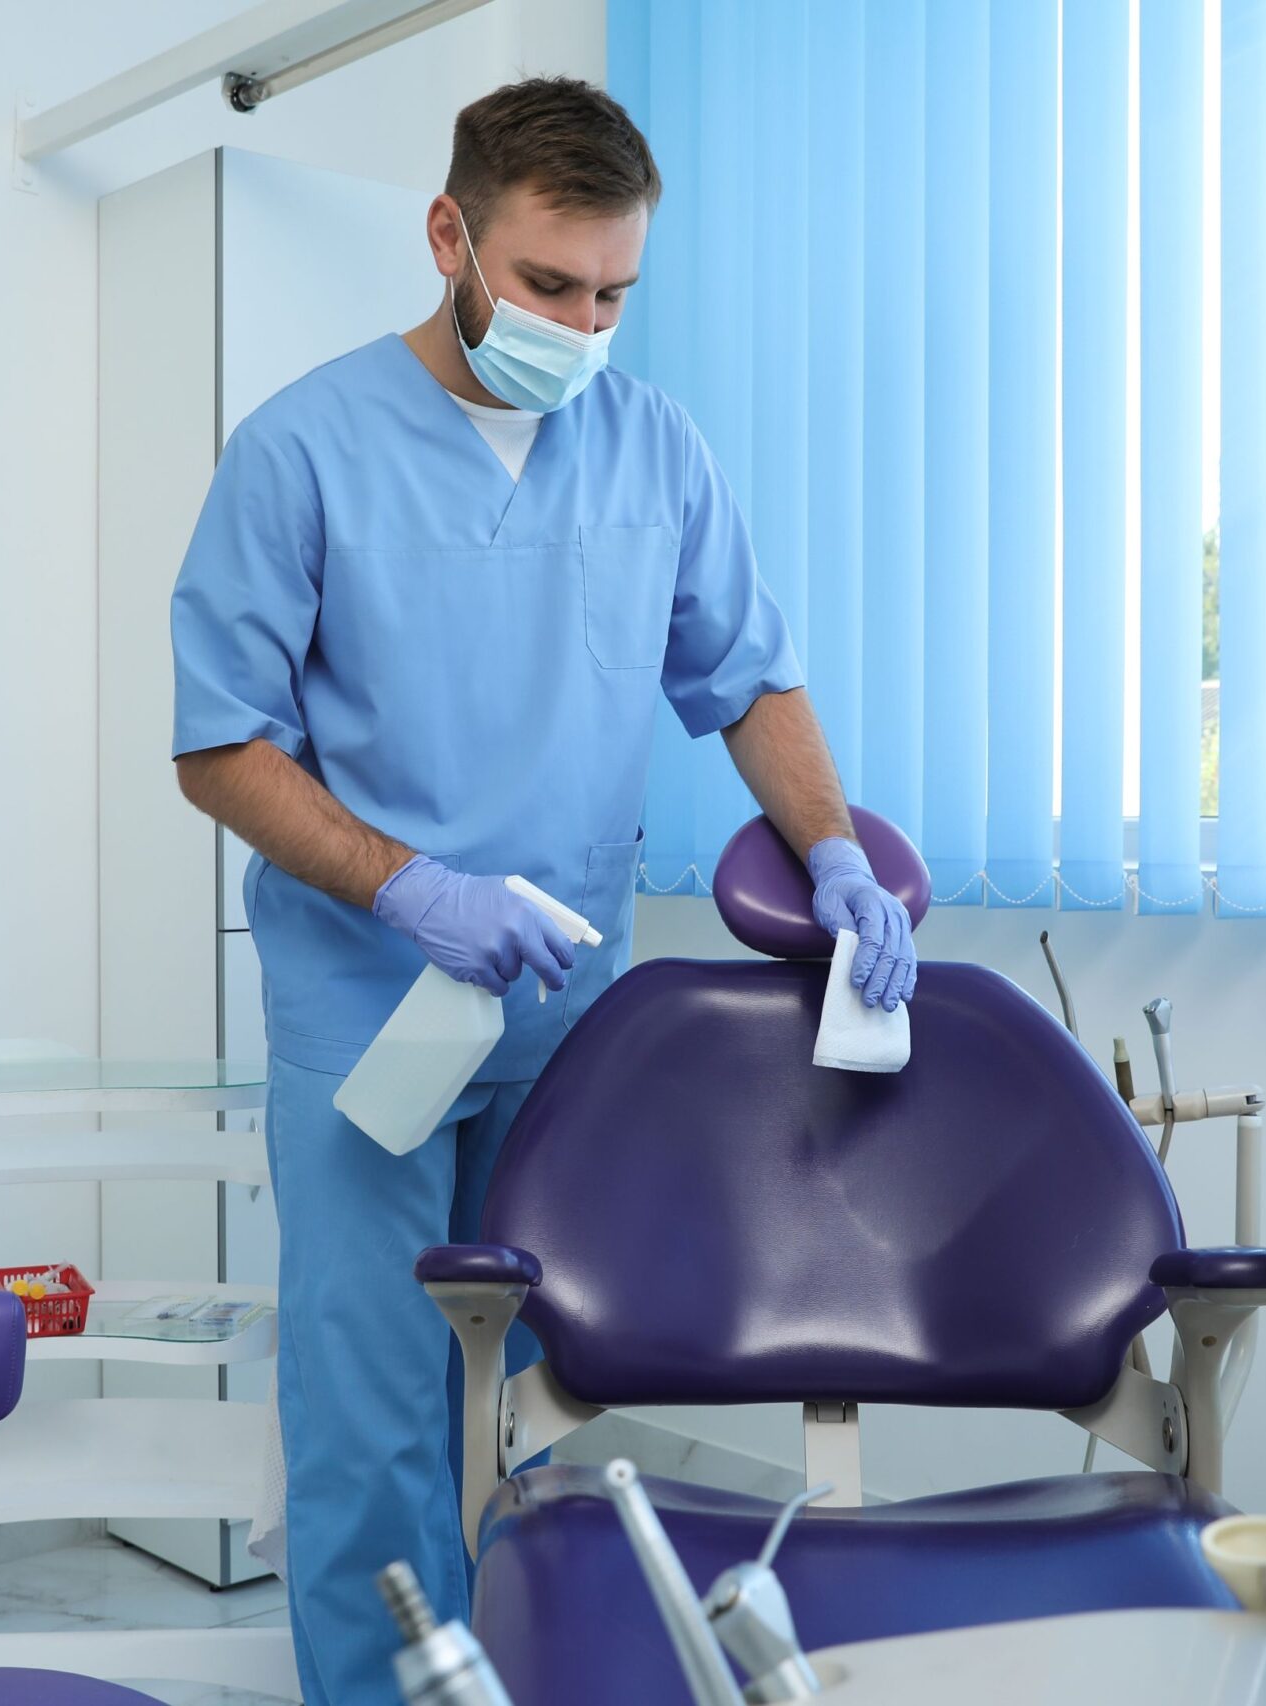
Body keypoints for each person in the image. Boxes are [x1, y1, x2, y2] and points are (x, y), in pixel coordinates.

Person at [169, 77, 919, 1705]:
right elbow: (219, 748)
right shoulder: (304, 448)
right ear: (450, 236)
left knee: (545, 1410)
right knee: (374, 1418)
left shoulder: (651, 443)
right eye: (547, 284)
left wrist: (836, 849)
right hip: (372, 1012)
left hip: (572, 1016)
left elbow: (750, 679)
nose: (582, 326)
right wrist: (408, 886)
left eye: (612, 293)